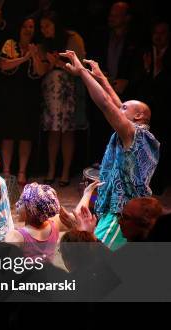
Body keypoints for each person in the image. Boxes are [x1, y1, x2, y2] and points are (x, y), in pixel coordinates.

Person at [61, 50, 160, 250]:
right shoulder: (133, 131)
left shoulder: (137, 135)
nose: (119, 109)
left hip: (122, 214)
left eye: (125, 108)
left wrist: (83, 73)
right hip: (114, 210)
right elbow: (115, 103)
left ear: (139, 116)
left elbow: (107, 105)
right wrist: (101, 78)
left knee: (94, 258)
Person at [0, 16, 47, 186]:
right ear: (19, 28)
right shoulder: (10, 44)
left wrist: (34, 56)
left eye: (31, 26)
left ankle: (22, 172)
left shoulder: (39, 47)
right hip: (10, 95)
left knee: (26, 136)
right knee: (8, 134)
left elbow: (40, 72)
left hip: (29, 97)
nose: (28, 29)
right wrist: (24, 58)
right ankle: (6, 171)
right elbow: (3, 65)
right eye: (25, 26)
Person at [39, 11, 87, 186]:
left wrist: (58, 63)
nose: (44, 30)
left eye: (47, 26)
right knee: (53, 132)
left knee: (67, 132)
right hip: (51, 93)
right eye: (41, 27)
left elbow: (80, 68)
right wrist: (49, 63)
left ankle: (65, 172)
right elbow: (41, 70)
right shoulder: (44, 43)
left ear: (56, 25)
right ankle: (51, 170)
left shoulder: (73, 38)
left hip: (69, 91)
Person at [5, 182, 61, 262]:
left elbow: (1, 264)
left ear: (30, 210)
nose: (17, 204)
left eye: (21, 202)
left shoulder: (17, 236)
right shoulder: (54, 225)